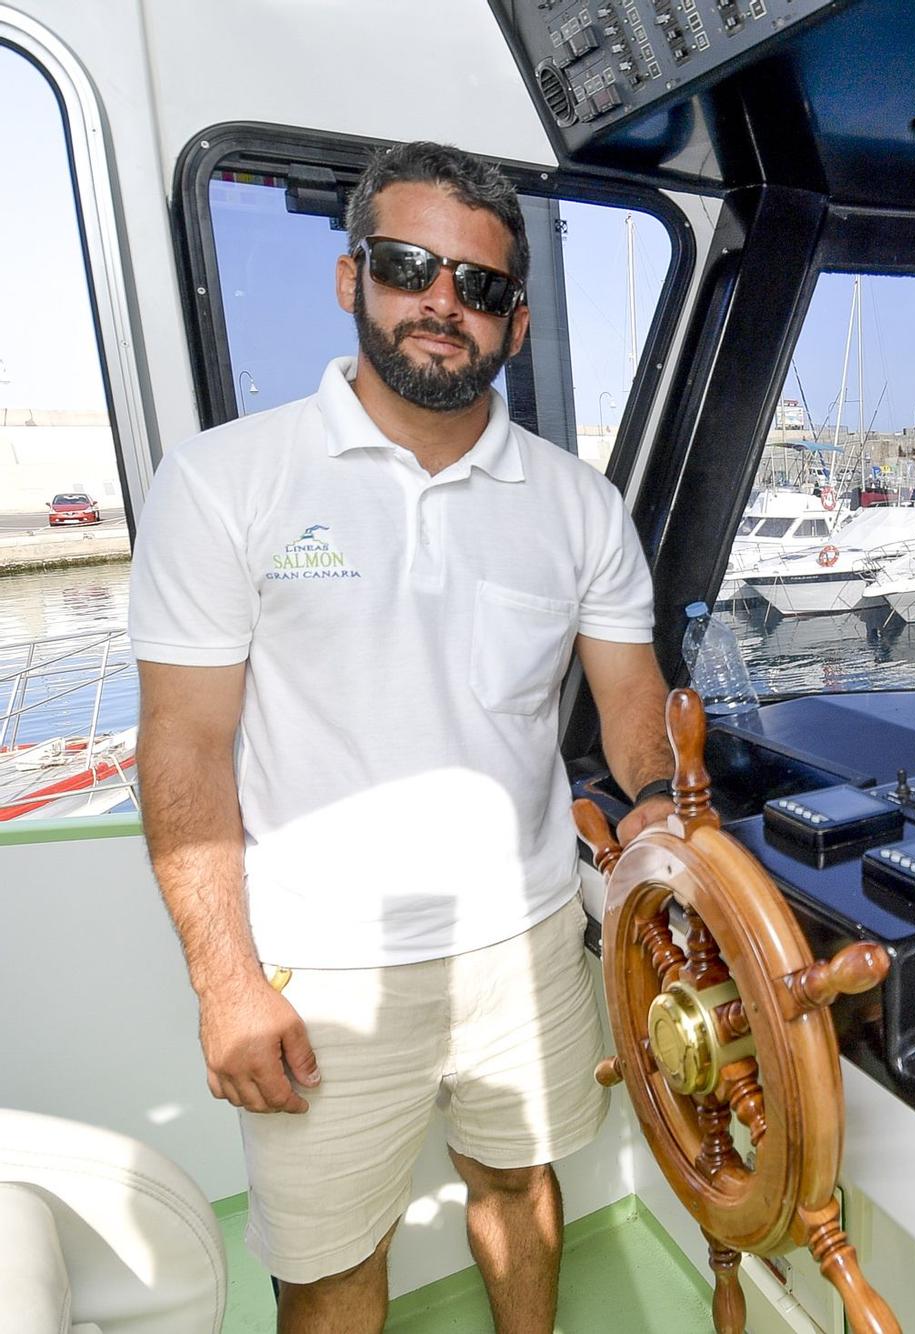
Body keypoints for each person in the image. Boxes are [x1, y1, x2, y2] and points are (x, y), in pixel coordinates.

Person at [130, 141, 677, 1333]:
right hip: (317, 962)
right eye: (408, 265)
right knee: (329, 1267)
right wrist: (225, 981)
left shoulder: (575, 503)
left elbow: (631, 698)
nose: (444, 301)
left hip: (528, 935)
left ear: (514, 323)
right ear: (352, 279)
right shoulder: (227, 481)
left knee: (519, 1184)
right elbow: (182, 746)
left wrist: (659, 815)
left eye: (478, 286)